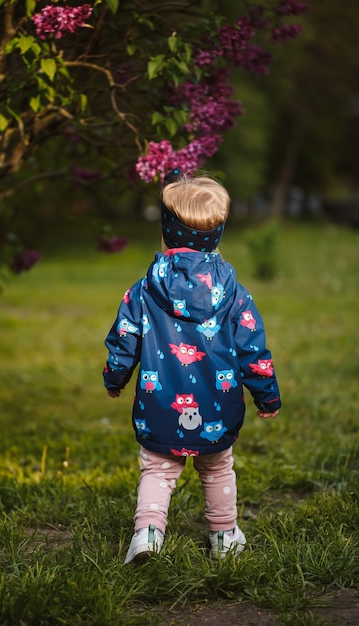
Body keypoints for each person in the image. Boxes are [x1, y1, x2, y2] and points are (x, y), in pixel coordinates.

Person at [103, 168, 281, 564]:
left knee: (158, 471)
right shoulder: (234, 292)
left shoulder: (143, 290)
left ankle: (147, 535)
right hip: (218, 407)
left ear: (166, 231)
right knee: (217, 470)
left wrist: (114, 378)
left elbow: (123, 339)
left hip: (160, 404)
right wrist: (267, 395)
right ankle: (224, 537)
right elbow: (254, 348)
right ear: (216, 234)